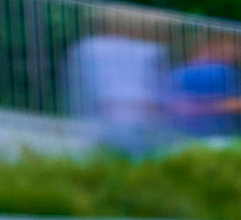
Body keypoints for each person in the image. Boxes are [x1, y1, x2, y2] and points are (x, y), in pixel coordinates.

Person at [67, 12, 171, 157]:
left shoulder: (88, 46)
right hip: (137, 119)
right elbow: (158, 88)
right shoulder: (150, 50)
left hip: (106, 118)